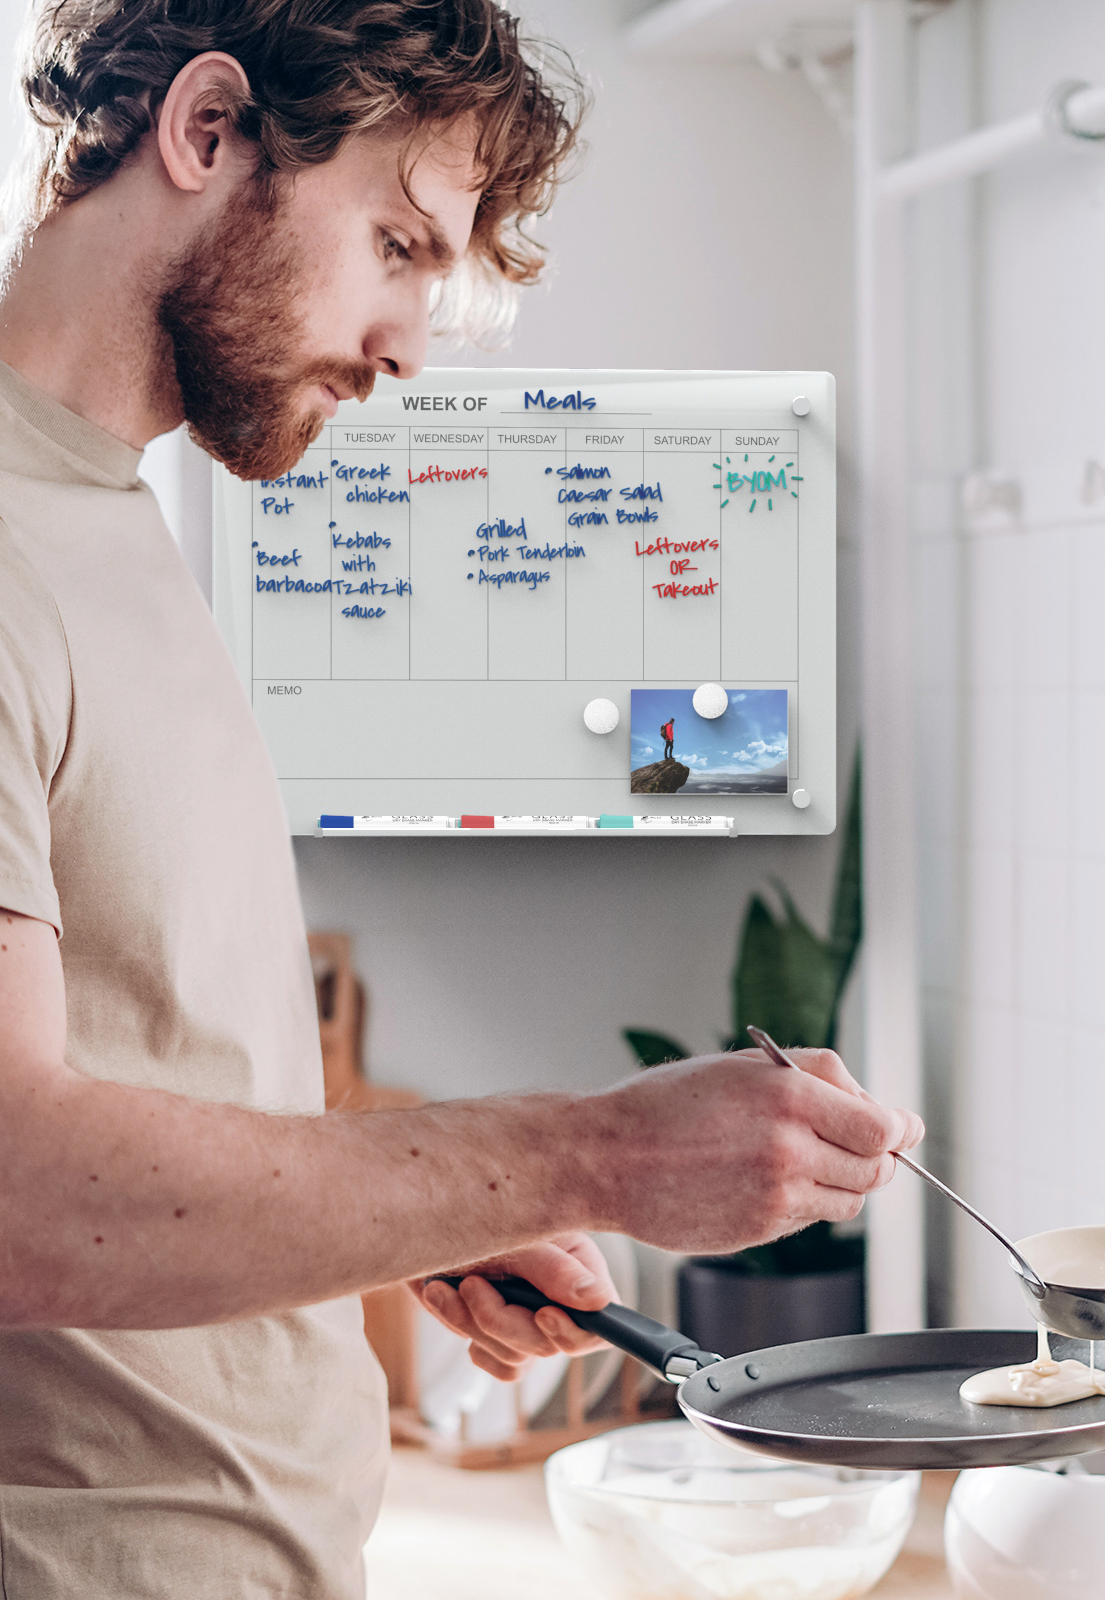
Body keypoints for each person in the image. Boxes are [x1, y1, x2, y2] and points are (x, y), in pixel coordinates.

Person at [0, 4, 923, 1595]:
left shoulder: (106, 514)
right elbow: (18, 1191)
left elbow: (146, 1058)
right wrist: (589, 1161)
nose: (409, 348)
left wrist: (419, 1210)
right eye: (396, 242)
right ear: (209, 131)